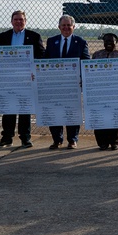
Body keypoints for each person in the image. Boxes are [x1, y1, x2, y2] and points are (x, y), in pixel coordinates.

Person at [0, 10, 45, 149]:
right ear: (11, 21)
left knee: (24, 109)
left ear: (25, 21)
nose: (18, 22)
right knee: (8, 108)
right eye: (16, 19)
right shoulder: (4, 36)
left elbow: (41, 55)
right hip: (9, 79)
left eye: (21, 19)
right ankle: (7, 138)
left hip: (26, 79)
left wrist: (35, 71)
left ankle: (25, 138)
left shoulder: (34, 36)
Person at [45, 14, 89, 149]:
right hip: (55, 84)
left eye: (68, 25)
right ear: (59, 27)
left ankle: (72, 140)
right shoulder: (51, 41)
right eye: (63, 25)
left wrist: (82, 78)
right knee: (55, 111)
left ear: (73, 27)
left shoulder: (81, 42)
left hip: (73, 85)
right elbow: (45, 61)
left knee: (72, 112)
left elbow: (86, 62)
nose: (66, 28)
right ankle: (57, 140)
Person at [90, 33, 118, 150]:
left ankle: (114, 142)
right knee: (100, 116)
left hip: (115, 91)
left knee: (115, 116)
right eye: (106, 41)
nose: (109, 43)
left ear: (116, 42)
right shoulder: (96, 55)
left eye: (111, 41)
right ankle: (102, 142)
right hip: (99, 91)